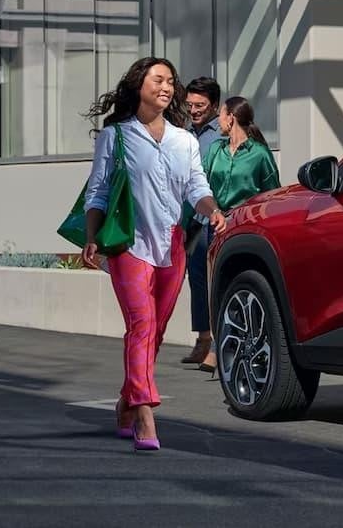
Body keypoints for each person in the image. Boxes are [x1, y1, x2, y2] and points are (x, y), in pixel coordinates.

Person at [81, 57, 226, 452]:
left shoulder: (185, 141)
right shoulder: (116, 136)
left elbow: (196, 188)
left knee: (156, 330)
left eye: (170, 81)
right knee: (142, 324)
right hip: (129, 244)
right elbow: (98, 191)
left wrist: (213, 211)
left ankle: (126, 400)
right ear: (138, 84)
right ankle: (145, 410)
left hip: (171, 245)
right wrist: (92, 237)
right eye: (157, 79)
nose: (166, 86)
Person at [184, 95, 281, 372]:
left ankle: (220, 348)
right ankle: (213, 341)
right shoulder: (216, 150)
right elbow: (199, 183)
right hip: (210, 224)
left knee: (227, 285)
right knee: (205, 285)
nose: (218, 121)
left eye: (221, 115)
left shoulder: (260, 154)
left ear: (231, 118)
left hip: (240, 225)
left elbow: (271, 195)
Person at [179, 76, 222, 366]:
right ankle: (203, 338)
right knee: (196, 281)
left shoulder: (223, 133)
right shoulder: (184, 134)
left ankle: (219, 345)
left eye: (200, 105)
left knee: (215, 280)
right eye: (190, 105)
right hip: (191, 219)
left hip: (216, 217)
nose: (194, 111)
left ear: (215, 106)